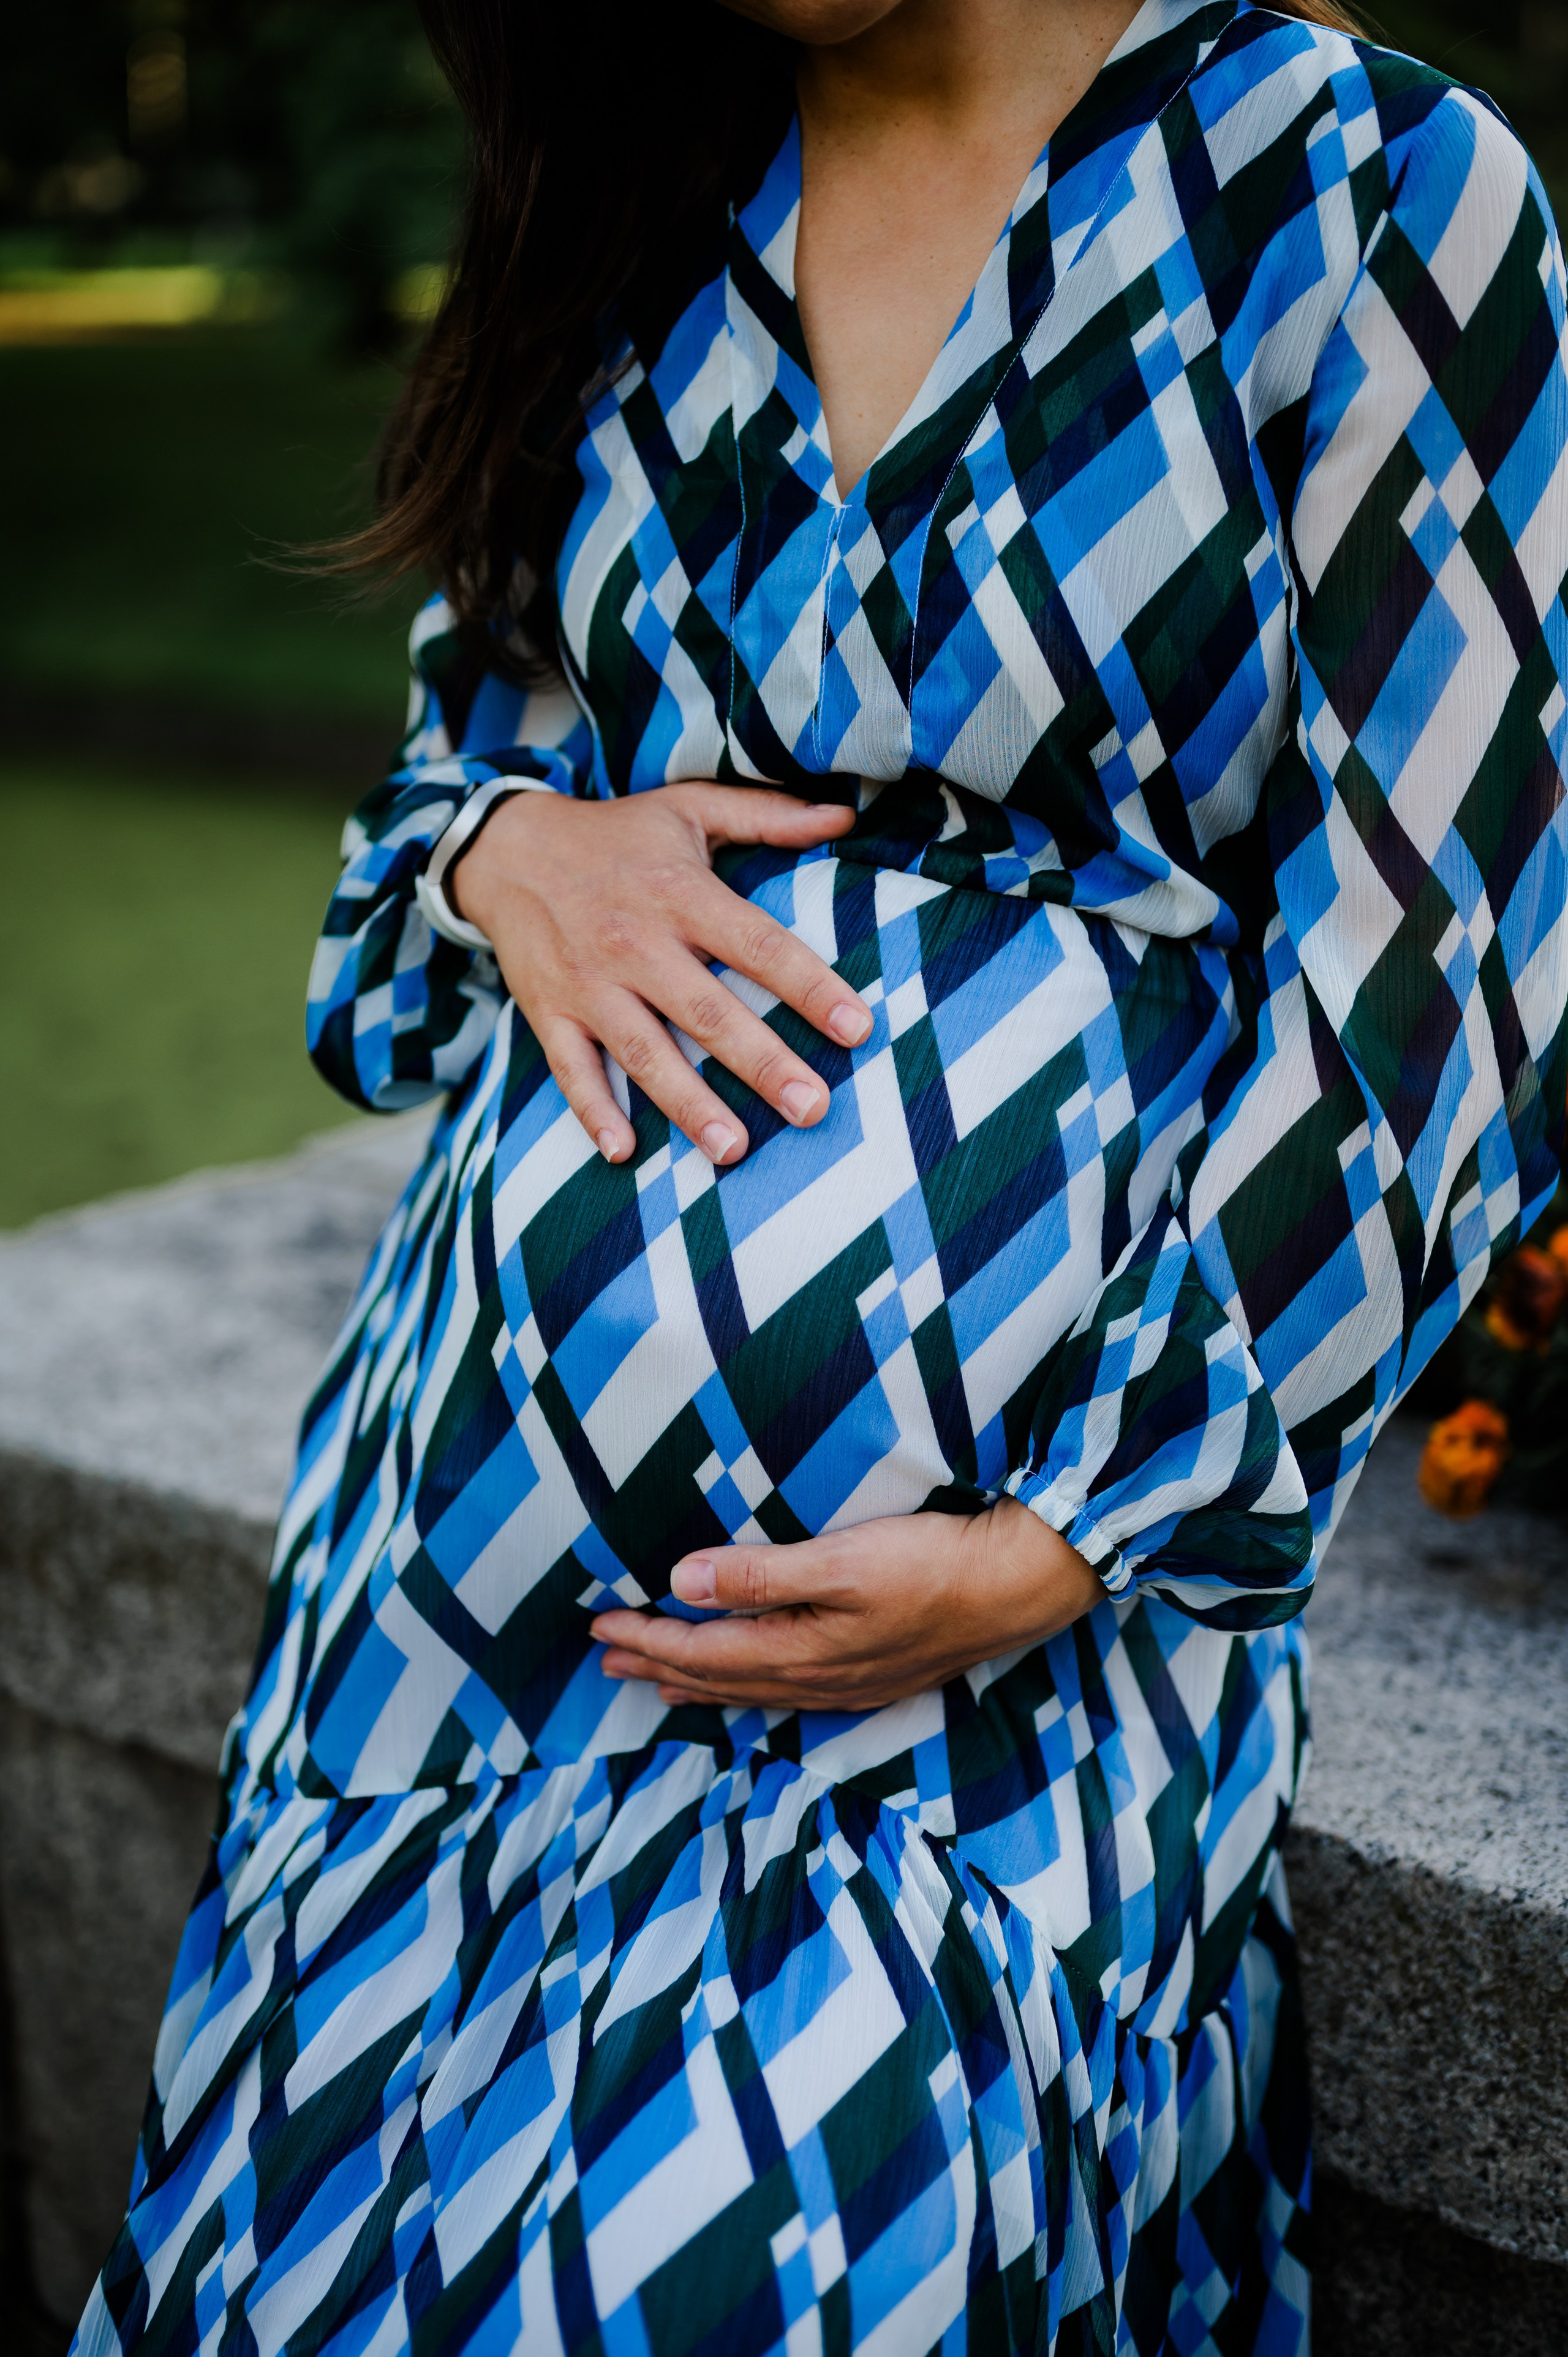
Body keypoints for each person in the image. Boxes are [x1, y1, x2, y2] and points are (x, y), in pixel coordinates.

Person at [75, 0, 1568, 2348]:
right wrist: (506, 855)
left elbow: (1443, 971)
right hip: (450, 1633)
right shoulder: (646, 180)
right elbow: (433, 818)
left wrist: (1075, 1535)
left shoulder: (1376, 189)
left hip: (970, 1679)